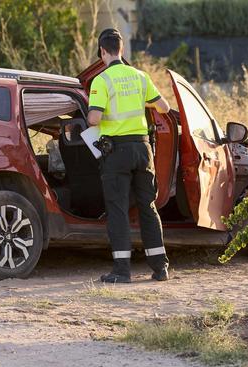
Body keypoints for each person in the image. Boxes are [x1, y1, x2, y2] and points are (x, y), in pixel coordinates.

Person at [87, 28, 171, 283]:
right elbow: (164, 107)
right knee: (148, 207)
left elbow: (94, 119)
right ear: (121, 50)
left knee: (118, 209)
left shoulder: (101, 80)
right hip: (143, 150)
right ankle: (160, 268)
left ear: (102, 51)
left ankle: (122, 271)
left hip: (117, 152)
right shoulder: (140, 76)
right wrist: (139, 102)